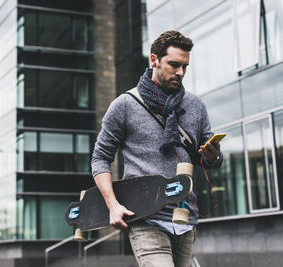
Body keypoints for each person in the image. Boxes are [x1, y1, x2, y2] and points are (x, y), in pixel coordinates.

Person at [91, 30, 223, 267]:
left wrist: (214, 157)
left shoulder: (195, 105)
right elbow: (100, 158)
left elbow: (208, 157)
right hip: (145, 216)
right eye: (174, 64)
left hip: (186, 218)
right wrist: (113, 205)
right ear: (154, 60)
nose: (180, 72)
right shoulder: (124, 105)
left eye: (185, 67)